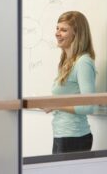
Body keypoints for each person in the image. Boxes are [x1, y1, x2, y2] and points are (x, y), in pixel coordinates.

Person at [44, 11, 96, 154]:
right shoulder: (66, 62)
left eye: (64, 30)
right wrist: (51, 105)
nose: (57, 33)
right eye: (57, 28)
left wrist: (56, 104)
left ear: (76, 34)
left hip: (74, 137)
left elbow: (89, 107)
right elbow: (69, 97)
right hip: (62, 134)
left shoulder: (83, 63)